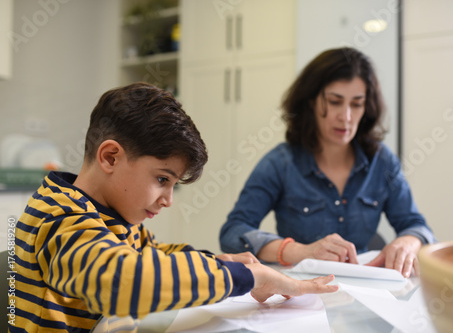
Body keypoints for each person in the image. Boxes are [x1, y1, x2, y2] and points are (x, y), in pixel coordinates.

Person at [11, 82, 338, 333]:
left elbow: (154, 254)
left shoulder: (106, 214)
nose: (168, 199)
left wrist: (217, 262)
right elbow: (124, 282)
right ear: (110, 157)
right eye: (162, 179)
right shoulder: (60, 219)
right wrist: (245, 276)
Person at [219, 47, 436, 278]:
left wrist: (407, 243)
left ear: (367, 108)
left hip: (365, 290)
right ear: (311, 101)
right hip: (301, 292)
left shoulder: (381, 161)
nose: (346, 117)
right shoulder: (280, 163)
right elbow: (233, 232)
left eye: (356, 104)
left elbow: (417, 226)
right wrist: (300, 251)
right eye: (334, 102)